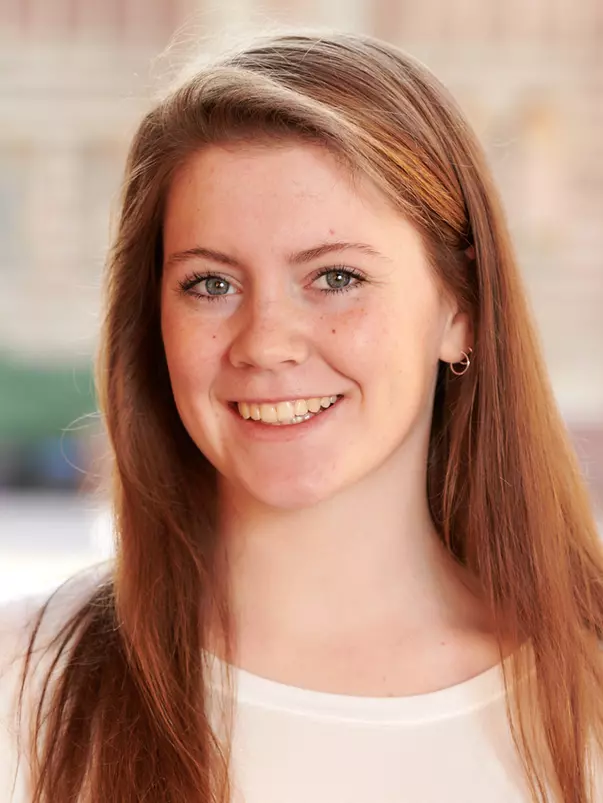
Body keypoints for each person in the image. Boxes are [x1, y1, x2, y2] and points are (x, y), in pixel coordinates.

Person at [1, 30, 603, 803]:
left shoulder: (584, 697)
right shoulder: (25, 688)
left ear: (461, 307)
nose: (267, 343)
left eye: (335, 276)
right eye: (210, 284)